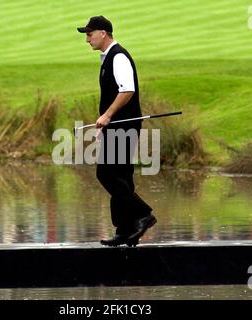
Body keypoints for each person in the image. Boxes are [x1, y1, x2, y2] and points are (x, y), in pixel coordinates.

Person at [77, 16, 157, 247]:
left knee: (107, 174)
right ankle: (126, 230)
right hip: (117, 126)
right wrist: (106, 122)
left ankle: (143, 215)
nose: (87, 39)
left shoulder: (118, 56)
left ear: (103, 33)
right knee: (121, 176)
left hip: (123, 125)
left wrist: (108, 115)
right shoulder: (108, 58)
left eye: (89, 34)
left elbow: (127, 90)